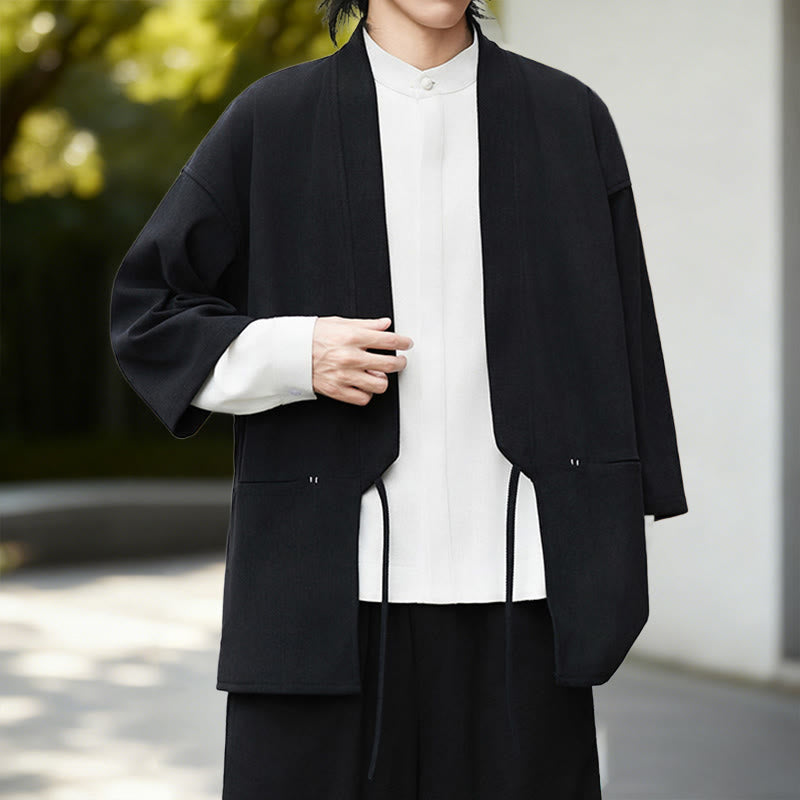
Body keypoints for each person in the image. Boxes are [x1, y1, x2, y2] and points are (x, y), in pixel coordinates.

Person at [109, 1, 688, 797]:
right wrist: (294, 354)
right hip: (321, 605)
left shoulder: (568, 118)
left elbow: (628, 337)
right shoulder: (273, 119)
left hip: (526, 596)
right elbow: (148, 314)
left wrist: (625, 517)